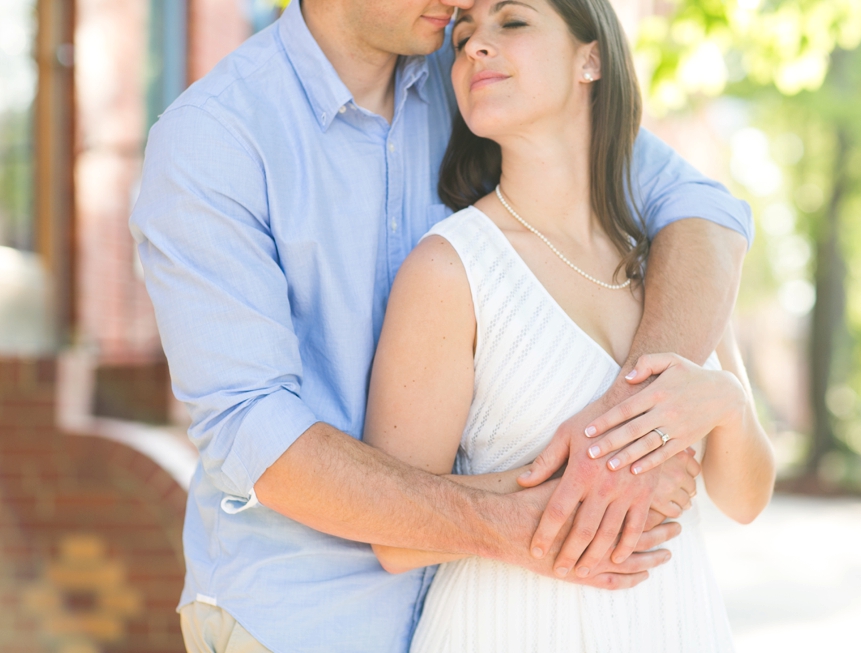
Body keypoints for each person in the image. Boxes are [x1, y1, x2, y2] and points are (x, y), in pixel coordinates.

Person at [129, 0, 754, 651]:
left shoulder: (476, 75)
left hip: (479, 612)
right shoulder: (214, 138)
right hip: (304, 618)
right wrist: (541, 506)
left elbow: (703, 212)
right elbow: (254, 430)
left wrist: (633, 431)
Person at [363, 0, 776, 650]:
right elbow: (394, 534)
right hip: (509, 627)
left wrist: (723, 403)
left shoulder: (671, 260)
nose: (474, 46)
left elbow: (747, 499)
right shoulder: (450, 269)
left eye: (513, 22)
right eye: (464, 35)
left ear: (592, 57)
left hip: (676, 623)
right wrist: (595, 475)